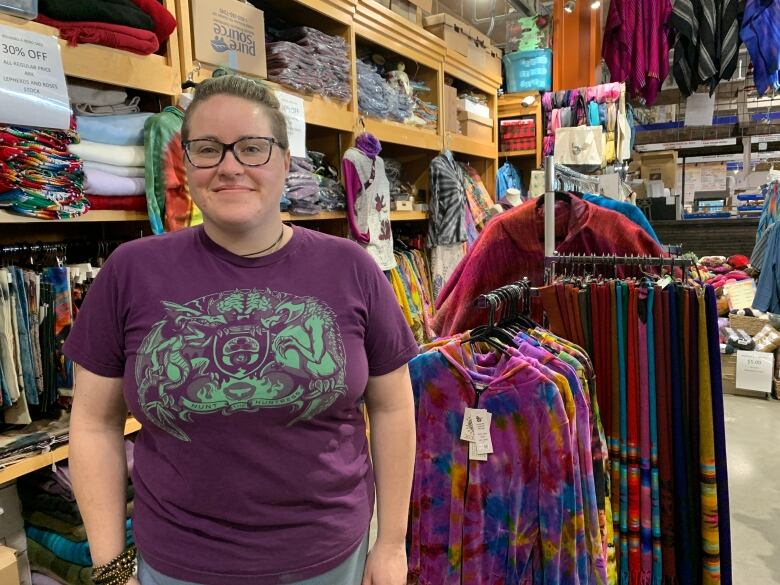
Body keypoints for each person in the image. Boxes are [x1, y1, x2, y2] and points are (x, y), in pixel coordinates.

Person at [63, 74, 419, 585]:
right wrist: (112, 567)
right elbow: (95, 423)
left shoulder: (351, 268)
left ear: (283, 158)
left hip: (332, 560)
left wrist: (390, 544)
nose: (230, 167)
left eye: (252, 148)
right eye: (208, 149)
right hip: (176, 566)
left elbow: (393, 406)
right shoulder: (130, 271)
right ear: (185, 163)